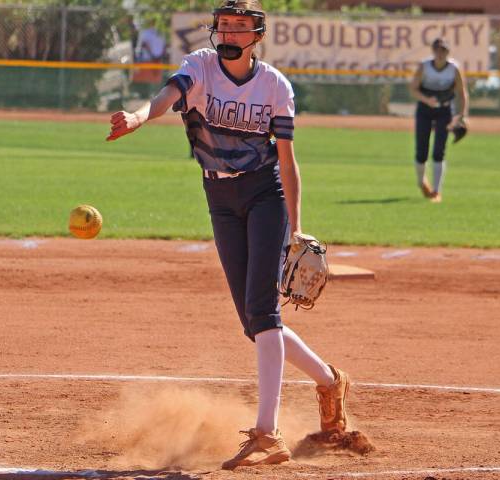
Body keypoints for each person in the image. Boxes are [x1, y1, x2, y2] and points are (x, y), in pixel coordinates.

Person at [106, 0, 350, 470]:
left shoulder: (274, 85)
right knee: (254, 322)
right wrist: (138, 117)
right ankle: (328, 380)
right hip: (219, 198)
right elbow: (167, 96)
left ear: (256, 35)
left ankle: (267, 434)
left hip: (265, 196)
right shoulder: (200, 66)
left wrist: (295, 227)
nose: (230, 33)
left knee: (263, 310)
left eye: (241, 27)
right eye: (224, 25)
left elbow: (286, 159)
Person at [409, 37, 469, 203]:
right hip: (425, 110)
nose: (440, 53)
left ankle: (436, 191)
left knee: (439, 151)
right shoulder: (425, 66)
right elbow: (413, 89)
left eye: (444, 50)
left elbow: (462, 93)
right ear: (433, 51)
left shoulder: (453, 68)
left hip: (444, 110)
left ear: (448, 52)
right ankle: (422, 182)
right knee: (421, 150)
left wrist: (462, 116)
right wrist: (426, 100)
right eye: (437, 49)